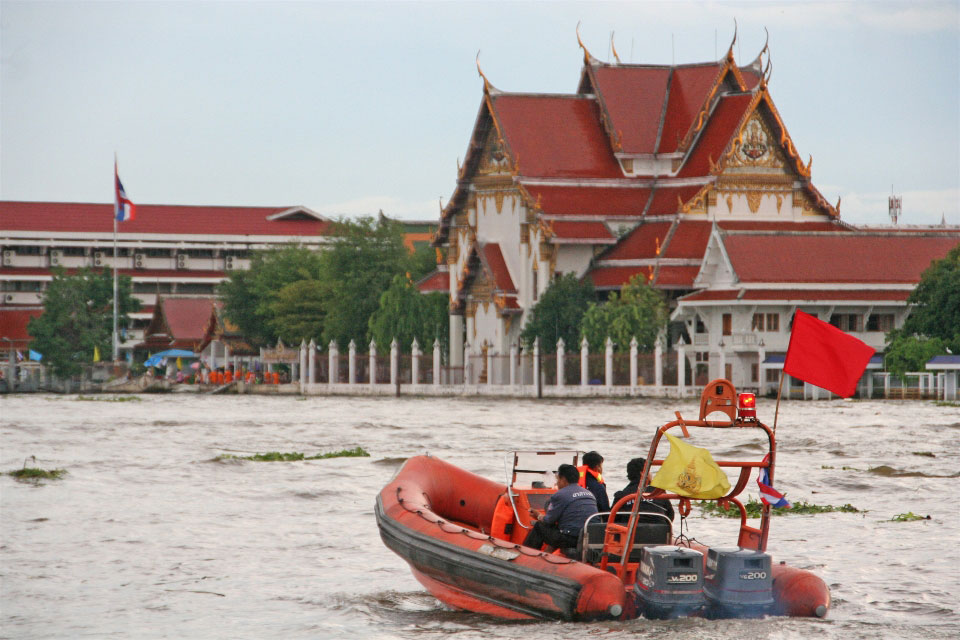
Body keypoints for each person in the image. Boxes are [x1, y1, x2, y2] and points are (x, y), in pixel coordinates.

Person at [523, 464, 597, 552]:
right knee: (558, 528)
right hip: (589, 537)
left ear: (563, 479)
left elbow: (548, 521)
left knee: (539, 526)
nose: (556, 483)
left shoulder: (560, 494)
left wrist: (538, 515)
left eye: (557, 479)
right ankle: (547, 555)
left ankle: (527, 554)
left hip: (570, 539)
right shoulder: (589, 494)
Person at [612, 457, 675, 523]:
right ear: (643, 473)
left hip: (629, 531)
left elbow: (612, 518)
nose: (651, 474)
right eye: (649, 471)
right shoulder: (659, 493)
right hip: (659, 531)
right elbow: (670, 516)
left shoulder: (621, 495)